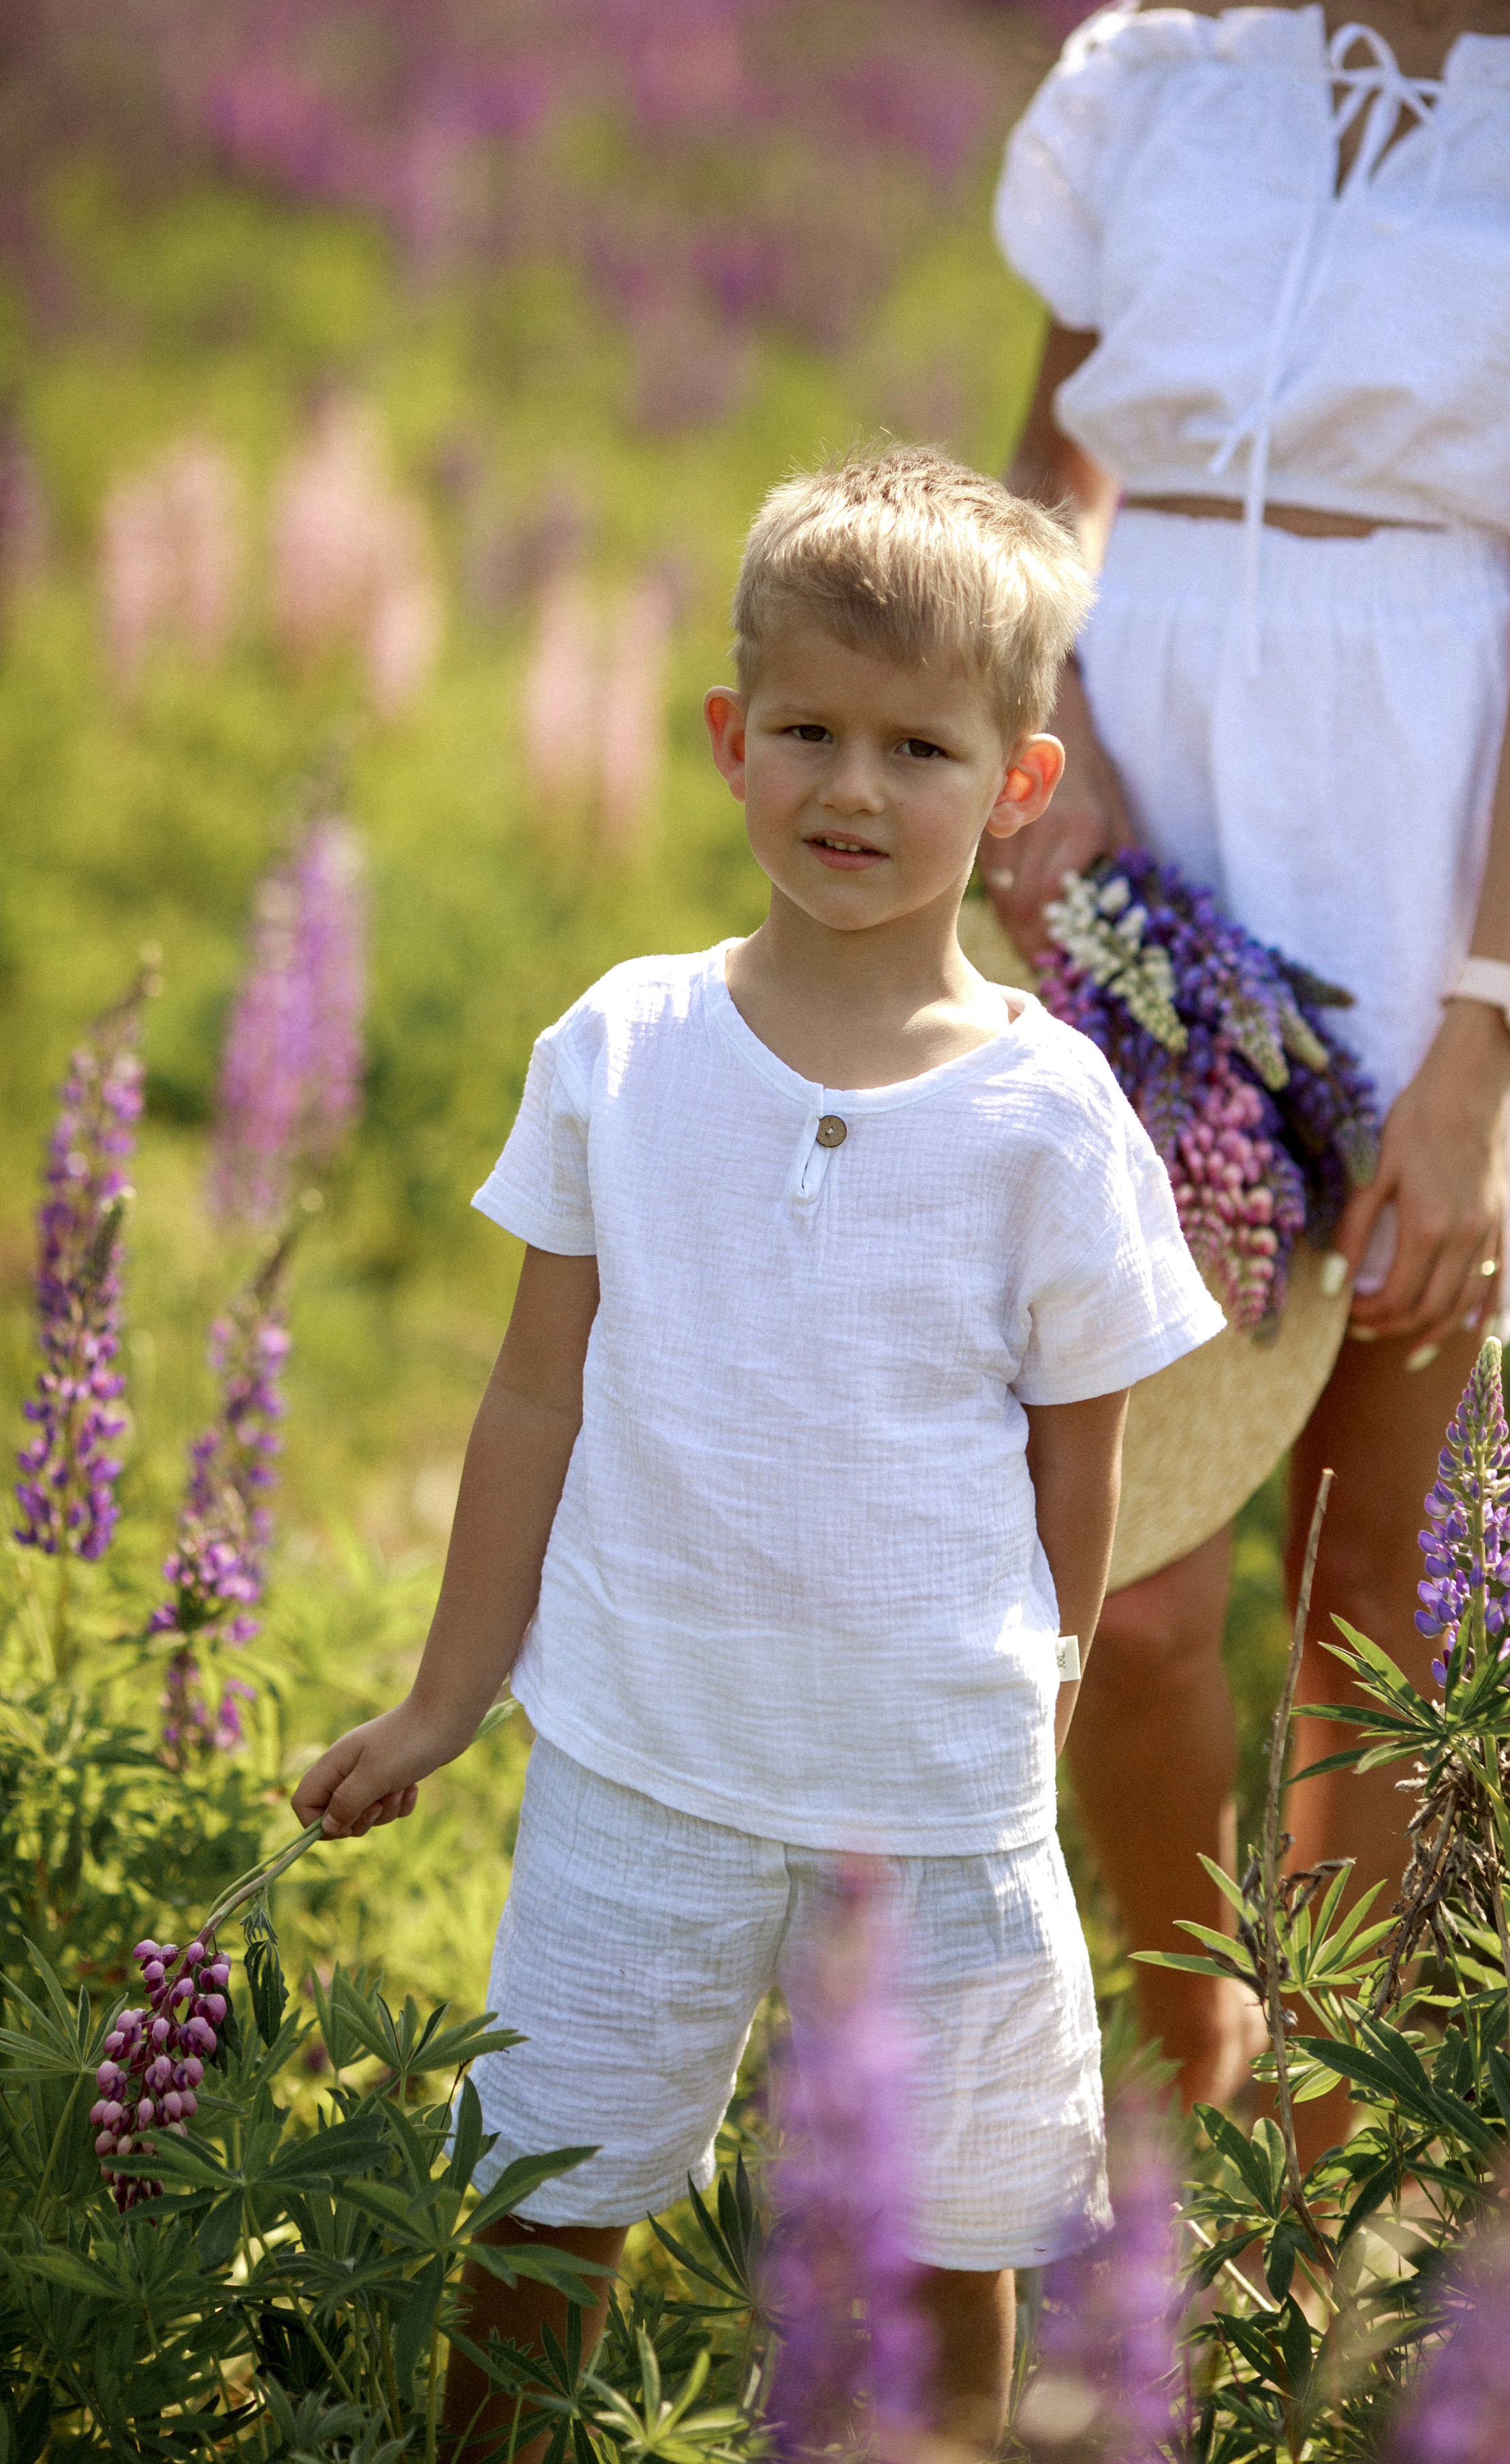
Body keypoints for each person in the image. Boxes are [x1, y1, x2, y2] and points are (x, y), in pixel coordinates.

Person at [291, 447, 1225, 2459]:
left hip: (935, 1795)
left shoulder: (1053, 1114)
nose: (852, 790)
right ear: (731, 739)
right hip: (642, 1756)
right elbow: (532, 1397)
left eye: (919, 749)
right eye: (809, 731)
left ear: (1020, 786)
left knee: (944, 2237)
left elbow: (1082, 1456)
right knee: (548, 2193)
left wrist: (1052, 1677)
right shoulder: (623, 1048)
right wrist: (449, 1698)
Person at [986, 0, 1510, 2140]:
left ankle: (1310, 2169)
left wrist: (1482, 1036)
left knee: (1367, 1593)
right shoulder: (1185, 35)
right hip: (1141, 834)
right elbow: (1051, 463)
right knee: (1124, 1589)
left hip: (1443, 853)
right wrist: (1053, 738)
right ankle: (1188, 2061)